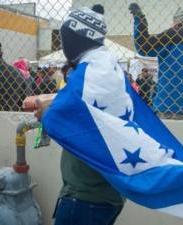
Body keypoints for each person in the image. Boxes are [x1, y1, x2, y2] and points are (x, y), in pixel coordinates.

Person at [35, 5, 125, 225]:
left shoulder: (88, 73)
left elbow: (60, 119)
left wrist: (46, 111)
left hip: (86, 195)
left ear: (74, 38)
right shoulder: (108, 68)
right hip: (108, 190)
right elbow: (86, 108)